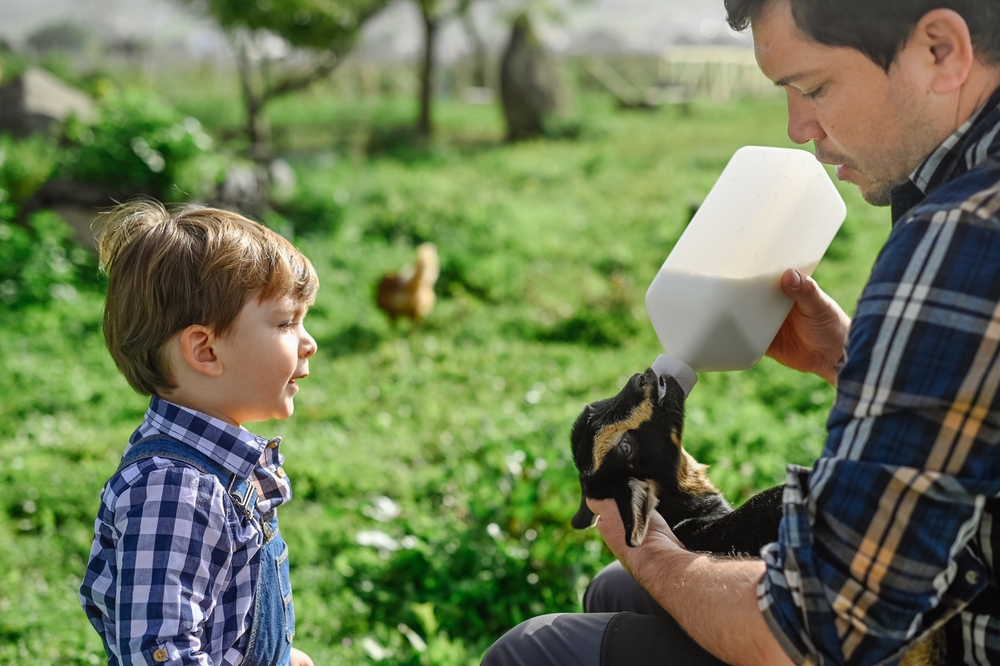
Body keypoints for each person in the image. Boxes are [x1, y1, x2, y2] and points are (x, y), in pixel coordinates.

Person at [483, 0, 1000, 664]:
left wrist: (649, 546)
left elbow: (817, 629)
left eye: (815, 87)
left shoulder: (965, 232)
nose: (797, 126)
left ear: (940, 50)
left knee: (539, 651)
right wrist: (853, 359)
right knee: (623, 593)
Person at [79, 200, 319, 666]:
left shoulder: (210, 471)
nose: (309, 342)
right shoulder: (174, 487)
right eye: (287, 322)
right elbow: (160, 652)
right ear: (205, 351)